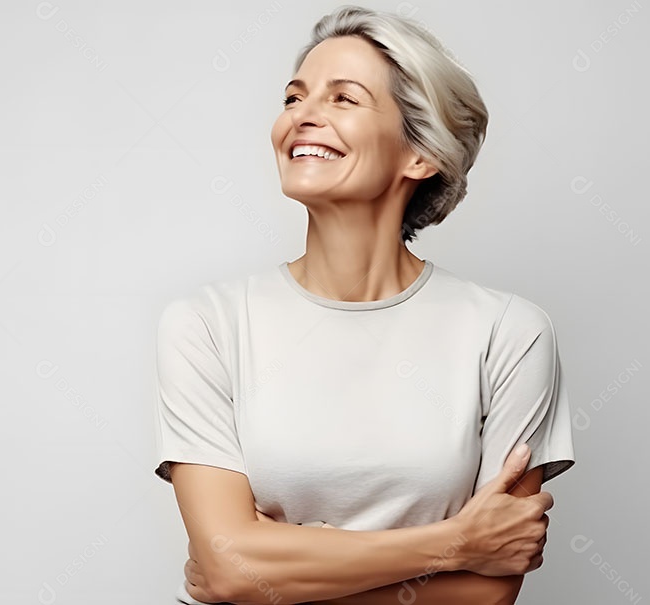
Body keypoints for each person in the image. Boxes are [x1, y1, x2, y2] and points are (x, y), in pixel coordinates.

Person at [152, 5, 575, 604]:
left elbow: (488, 592)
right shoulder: (206, 325)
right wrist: (456, 543)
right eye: (294, 97)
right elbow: (228, 567)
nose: (303, 117)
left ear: (420, 154)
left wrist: (273, 577)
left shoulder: (509, 333)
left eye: (343, 99)